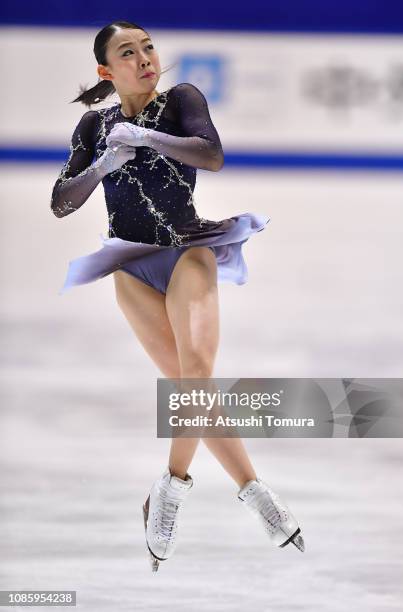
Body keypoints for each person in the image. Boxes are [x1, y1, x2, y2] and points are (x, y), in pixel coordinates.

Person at [50, 20, 305, 572]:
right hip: (132, 266)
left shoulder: (180, 101)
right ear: (106, 70)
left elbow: (210, 154)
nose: (144, 58)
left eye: (148, 47)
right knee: (194, 391)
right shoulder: (94, 125)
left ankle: (171, 487)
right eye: (128, 52)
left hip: (189, 249)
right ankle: (257, 494)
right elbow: (61, 201)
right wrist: (100, 166)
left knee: (195, 372)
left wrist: (145, 139)